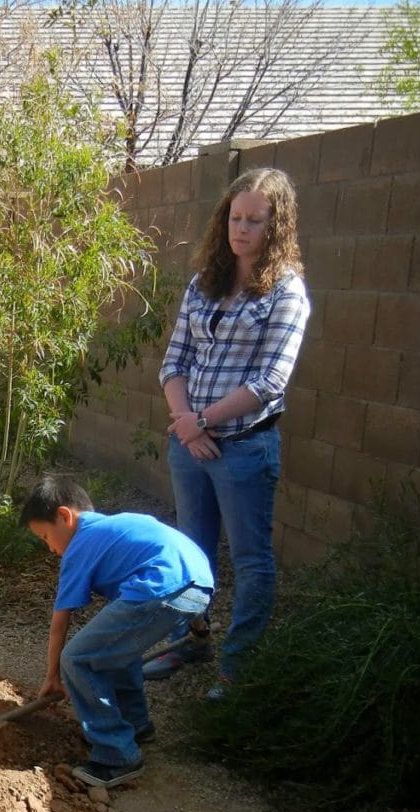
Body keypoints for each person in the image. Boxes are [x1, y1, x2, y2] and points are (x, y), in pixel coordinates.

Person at [143, 166, 310, 698]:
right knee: (192, 551)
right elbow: (174, 360)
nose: (242, 229)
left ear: (275, 225)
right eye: (235, 218)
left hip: (242, 449)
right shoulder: (204, 284)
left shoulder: (286, 292)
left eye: (255, 220)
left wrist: (202, 421)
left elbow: (270, 381)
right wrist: (187, 428)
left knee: (251, 561)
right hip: (190, 444)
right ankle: (189, 638)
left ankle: (238, 669)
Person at [21, 473, 214, 789]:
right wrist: (198, 625)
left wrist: (53, 675)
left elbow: (60, 622)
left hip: (160, 587)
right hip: (198, 583)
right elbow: (184, 571)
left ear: (64, 516)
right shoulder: (116, 528)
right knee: (116, 652)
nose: (49, 549)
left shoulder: (80, 545)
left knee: (78, 658)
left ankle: (116, 756)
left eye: (45, 537)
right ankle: (135, 725)